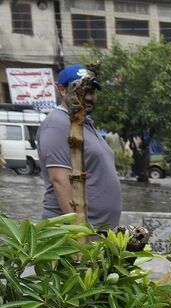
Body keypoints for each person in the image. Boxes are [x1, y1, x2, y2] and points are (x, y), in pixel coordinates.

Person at [38, 66, 122, 230]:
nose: (89, 97)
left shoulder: (83, 123)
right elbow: (59, 180)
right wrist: (79, 236)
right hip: (77, 236)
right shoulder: (57, 124)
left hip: (98, 232)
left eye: (92, 91)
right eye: (82, 90)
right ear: (61, 90)